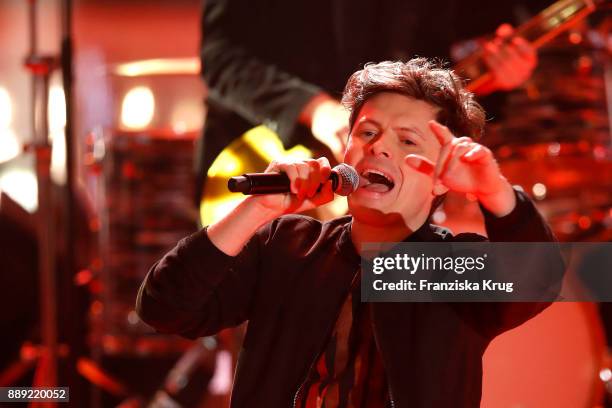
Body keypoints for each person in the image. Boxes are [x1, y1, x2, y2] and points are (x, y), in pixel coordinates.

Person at [137, 59, 563, 407]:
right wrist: (256, 210)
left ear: (441, 179)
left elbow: (537, 281)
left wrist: (493, 190)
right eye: (367, 133)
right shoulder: (287, 245)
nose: (380, 148)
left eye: (408, 141)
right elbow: (164, 307)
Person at [194, 0, 544, 205]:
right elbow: (221, 57)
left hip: (391, 186)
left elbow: (445, 64)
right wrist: (316, 109)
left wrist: (499, 77)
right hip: (266, 161)